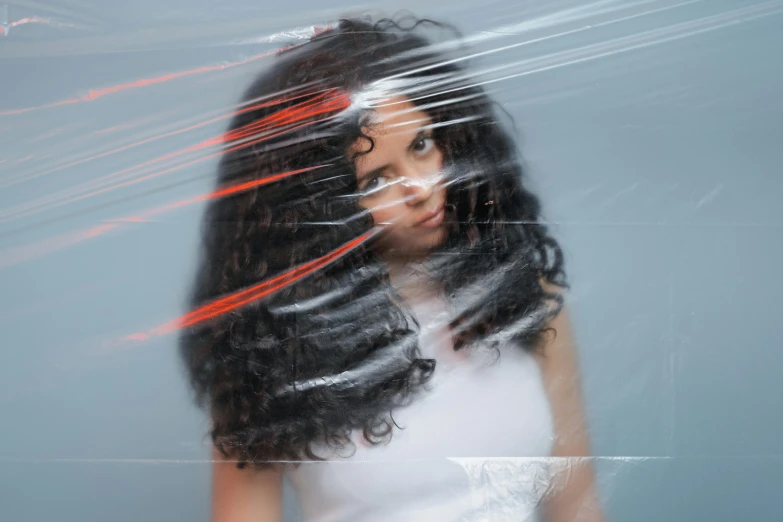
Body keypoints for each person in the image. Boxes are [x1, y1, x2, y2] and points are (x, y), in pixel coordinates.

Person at [179, 15, 605, 522]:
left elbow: (577, 506)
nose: (421, 187)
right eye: (376, 179)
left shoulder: (526, 301)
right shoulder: (268, 355)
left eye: (423, 145)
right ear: (319, 210)